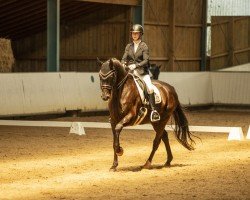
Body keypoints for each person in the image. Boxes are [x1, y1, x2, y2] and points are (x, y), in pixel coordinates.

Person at [121, 24, 160, 122]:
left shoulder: (144, 46)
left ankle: (154, 111)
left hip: (142, 72)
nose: (134, 35)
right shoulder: (128, 46)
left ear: (140, 34)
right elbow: (124, 58)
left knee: (150, 87)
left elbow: (146, 60)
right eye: (133, 33)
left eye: (136, 33)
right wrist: (122, 64)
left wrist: (136, 65)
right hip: (130, 72)